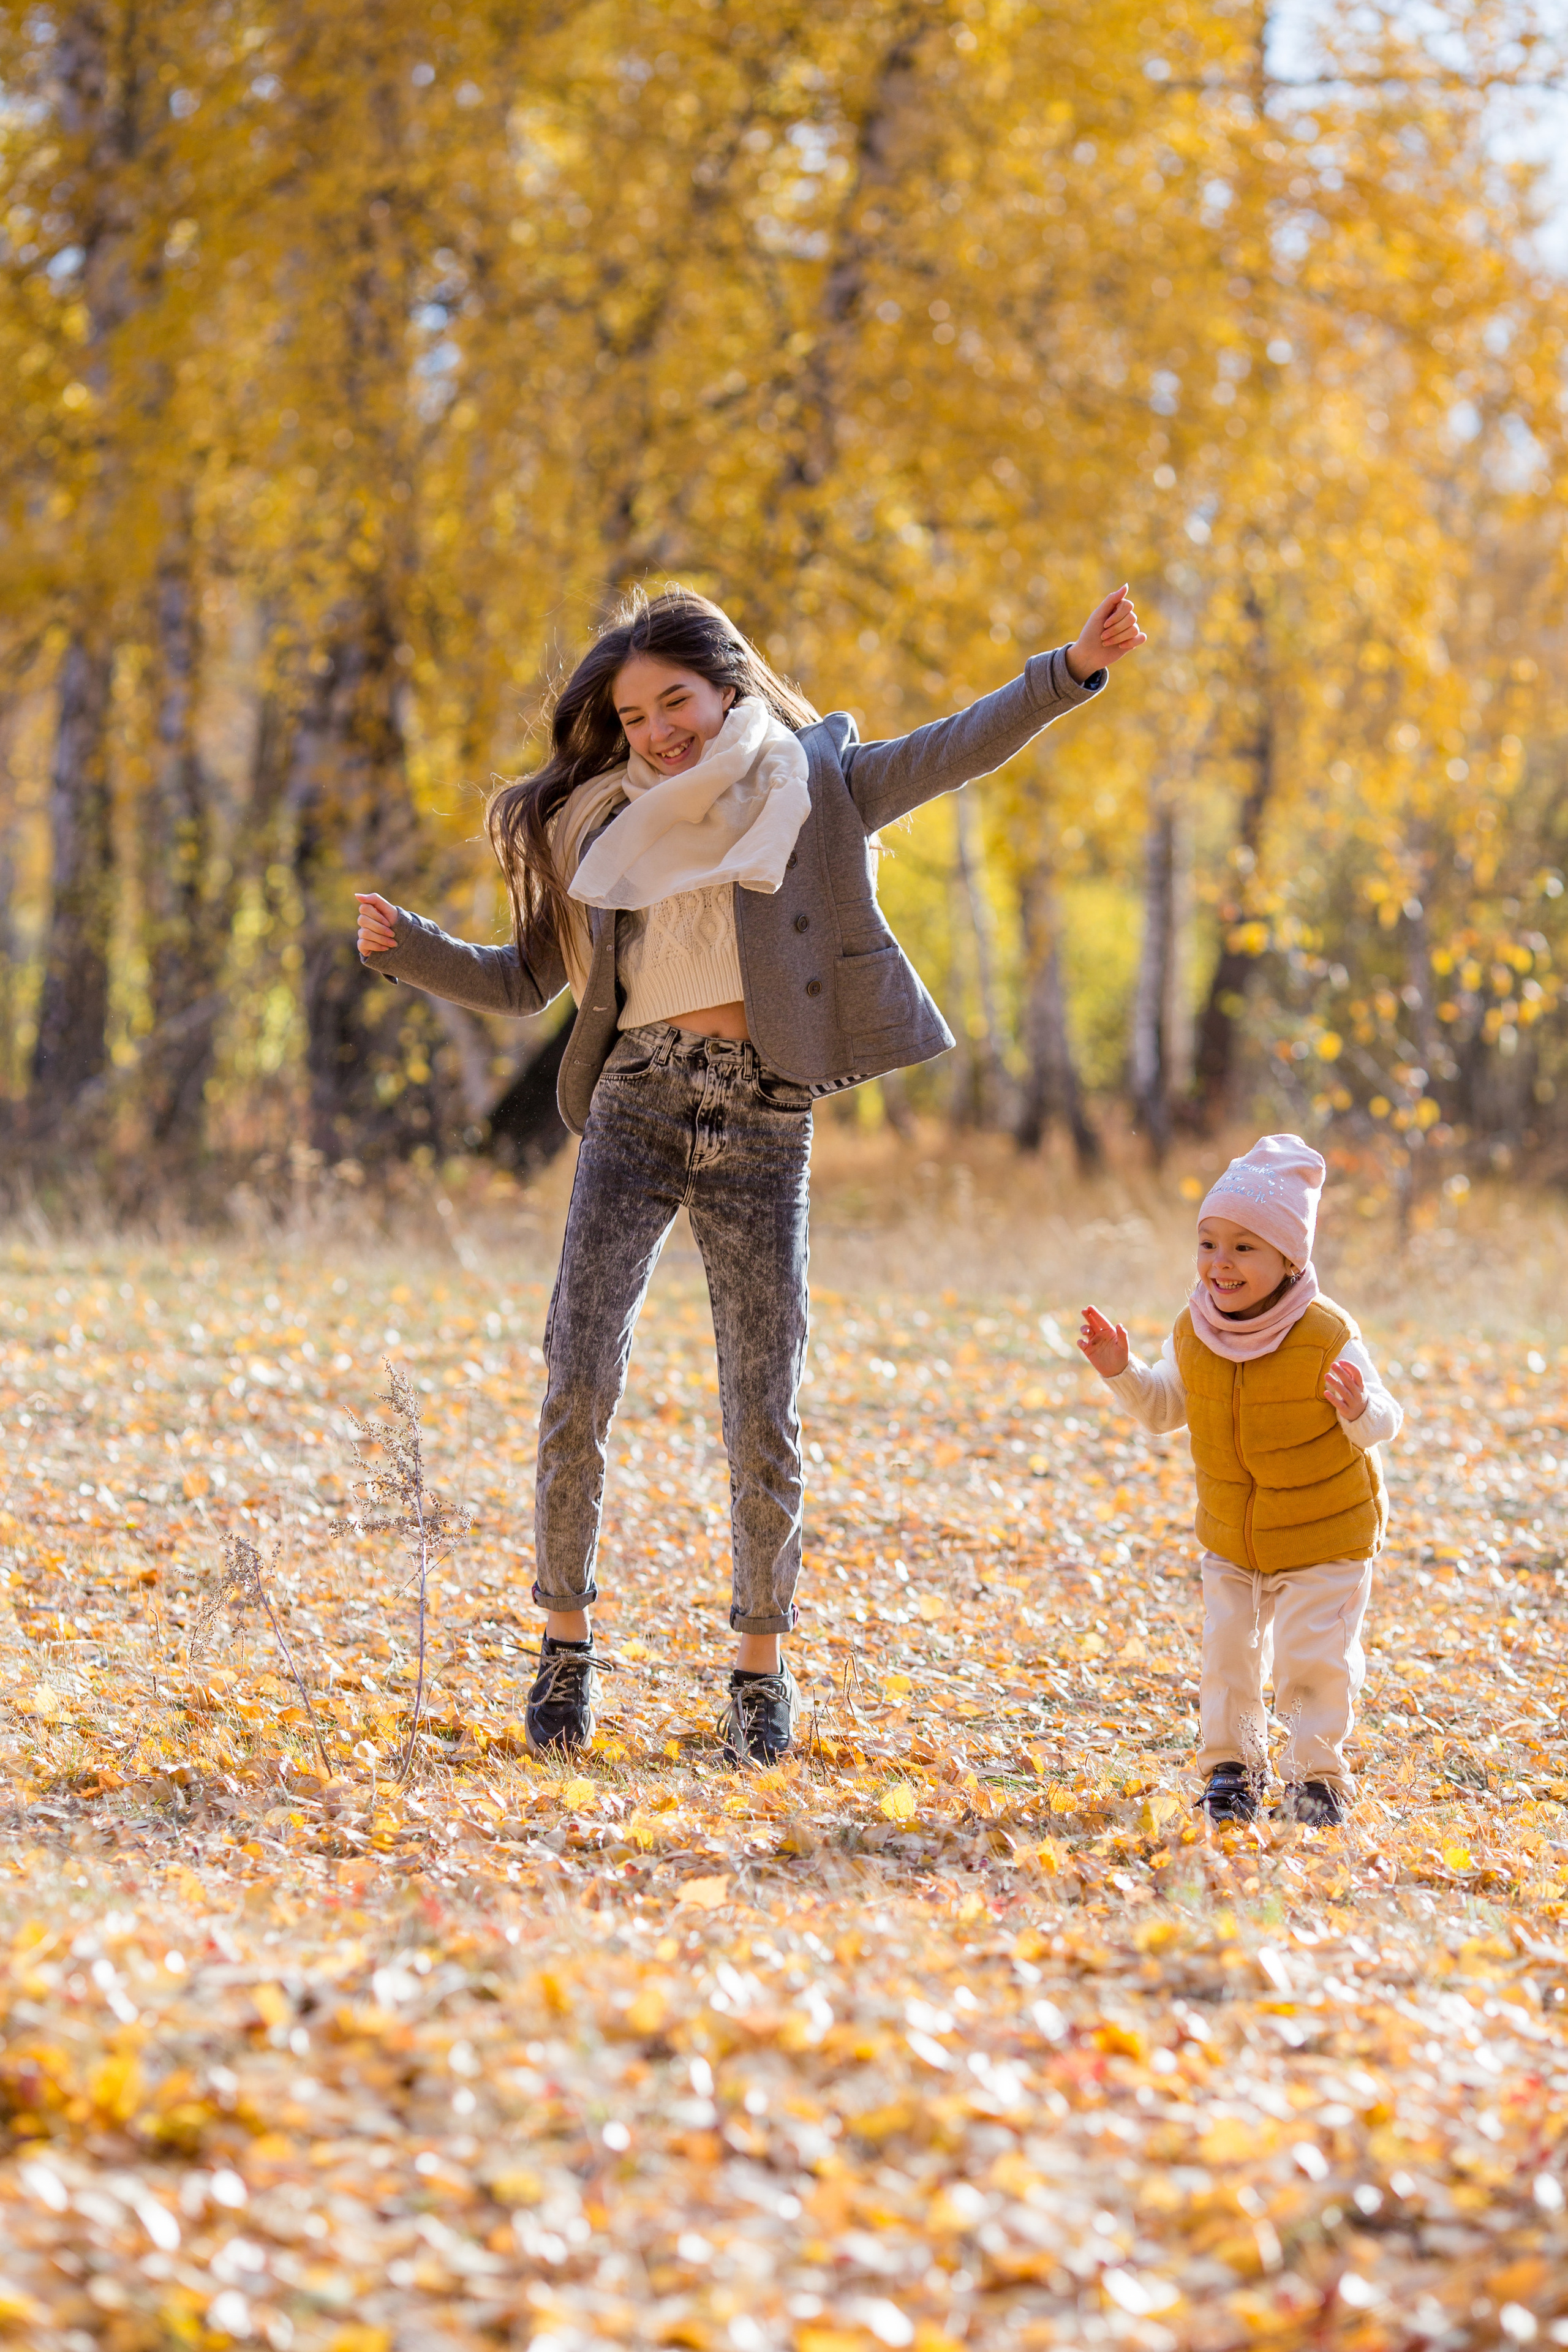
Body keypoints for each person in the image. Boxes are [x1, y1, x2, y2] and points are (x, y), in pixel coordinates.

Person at [358, 581, 1144, 1764]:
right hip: (634, 1103)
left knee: (761, 1402)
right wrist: (407, 950)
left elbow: (953, 751)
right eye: (633, 717)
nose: (658, 731)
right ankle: (565, 1653)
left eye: (674, 702)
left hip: (764, 1113)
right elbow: (527, 982)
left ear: (725, 687)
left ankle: (758, 1674)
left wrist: (1069, 670)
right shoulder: (594, 823)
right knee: (578, 1374)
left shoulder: (813, 786)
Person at [1077, 1134, 1401, 1826]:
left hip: (1325, 1536)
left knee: (1311, 1663)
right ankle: (1232, 1771)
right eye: (1207, 1243)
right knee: (1227, 1655)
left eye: (1244, 1247)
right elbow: (1166, 1408)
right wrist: (1120, 1372)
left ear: (1290, 1259)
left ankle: (1317, 1781)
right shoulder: (1193, 1331)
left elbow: (1385, 1422)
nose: (1220, 1264)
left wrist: (1357, 1408)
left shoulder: (1325, 1334)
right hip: (1233, 1537)